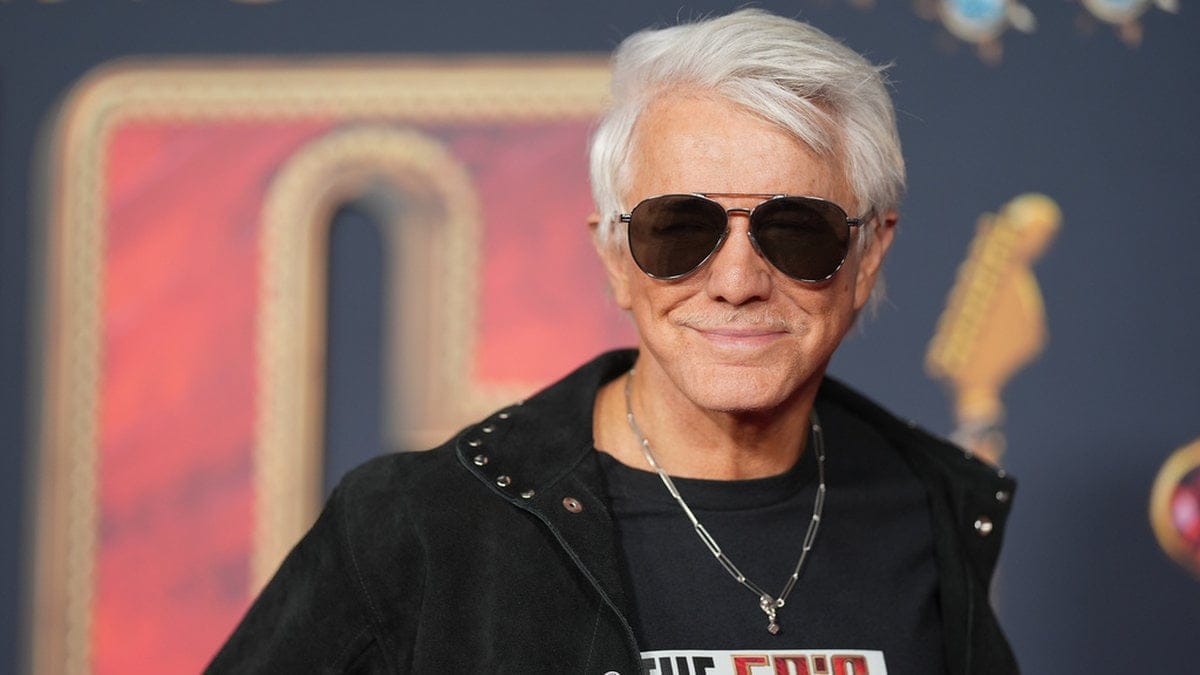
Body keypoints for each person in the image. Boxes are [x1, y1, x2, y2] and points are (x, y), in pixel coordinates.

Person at [209, 9, 1017, 674]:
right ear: (613, 256)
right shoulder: (420, 526)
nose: (737, 280)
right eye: (681, 229)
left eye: (797, 231)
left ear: (868, 254)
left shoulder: (932, 512)